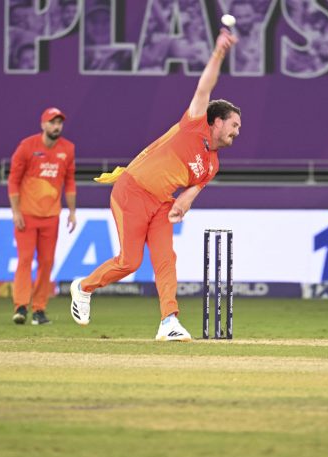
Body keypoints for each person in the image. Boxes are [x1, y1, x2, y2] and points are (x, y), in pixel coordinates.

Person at [70, 28, 240, 341]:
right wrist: (219, 52)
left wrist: (183, 202)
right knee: (129, 262)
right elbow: (206, 85)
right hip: (131, 192)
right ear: (216, 121)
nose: (237, 132)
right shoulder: (194, 123)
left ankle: (168, 322)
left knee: (166, 259)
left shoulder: (214, 164)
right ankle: (83, 287)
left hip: (161, 203)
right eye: (234, 125)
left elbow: (193, 190)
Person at [8, 107, 76, 325]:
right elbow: (13, 181)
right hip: (27, 216)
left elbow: (70, 182)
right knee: (25, 261)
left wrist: (72, 212)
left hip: (51, 217)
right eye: (52, 122)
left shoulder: (68, 149)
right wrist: (16, 212)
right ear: (43, 125)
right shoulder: (27, 146)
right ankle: (20, 306)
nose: (56, 126)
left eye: (59, 123)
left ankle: (39, 310)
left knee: (46, 263)